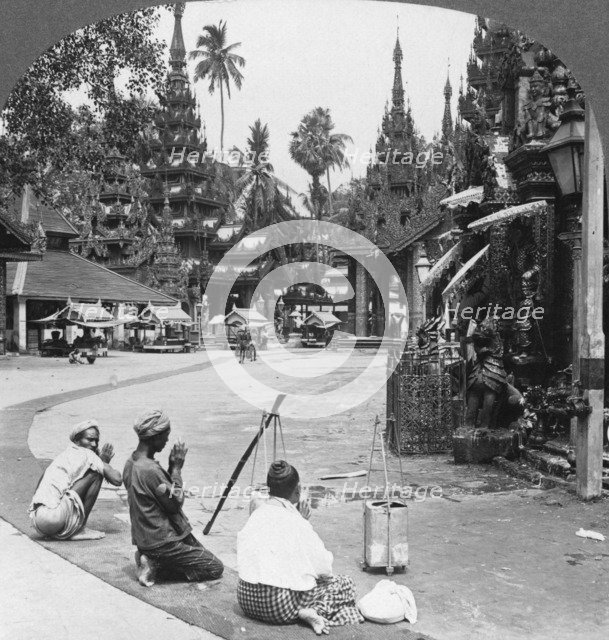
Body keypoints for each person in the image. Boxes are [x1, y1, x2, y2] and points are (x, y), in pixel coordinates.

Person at [237, 460, 363, 635]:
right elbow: (324, 568)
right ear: (297, 490)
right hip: (276, 608)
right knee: (345, 583)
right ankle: (314, 610)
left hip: (245, 599)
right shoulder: (296, 521)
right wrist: (303, 522)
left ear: (269, 488)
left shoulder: (258, 512)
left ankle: (307, 608)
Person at [123, 409, 224, 587]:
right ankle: (156, 565)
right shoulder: (150, 469)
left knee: (200, 553)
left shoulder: (131, 462)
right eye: (165, 436)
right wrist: (176, 469)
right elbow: (175, 504)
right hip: (161, 542)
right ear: (155, 437)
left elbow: (161, 496)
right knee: (214, 567)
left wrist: (170, 470)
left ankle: (152, 559)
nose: (167, 441)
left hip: (146, 538)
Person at [29, 419, 122, 541]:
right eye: (89, 440)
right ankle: (80, 529)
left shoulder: (62, 456)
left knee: (86, 474)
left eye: (96, 441)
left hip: (38, 520)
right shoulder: (89, 454)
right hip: (54, 518)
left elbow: (40, 483)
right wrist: (103, 461)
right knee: (96, 475)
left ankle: (63, 526)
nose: (94, 444)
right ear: (77, 441)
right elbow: (117, 479)